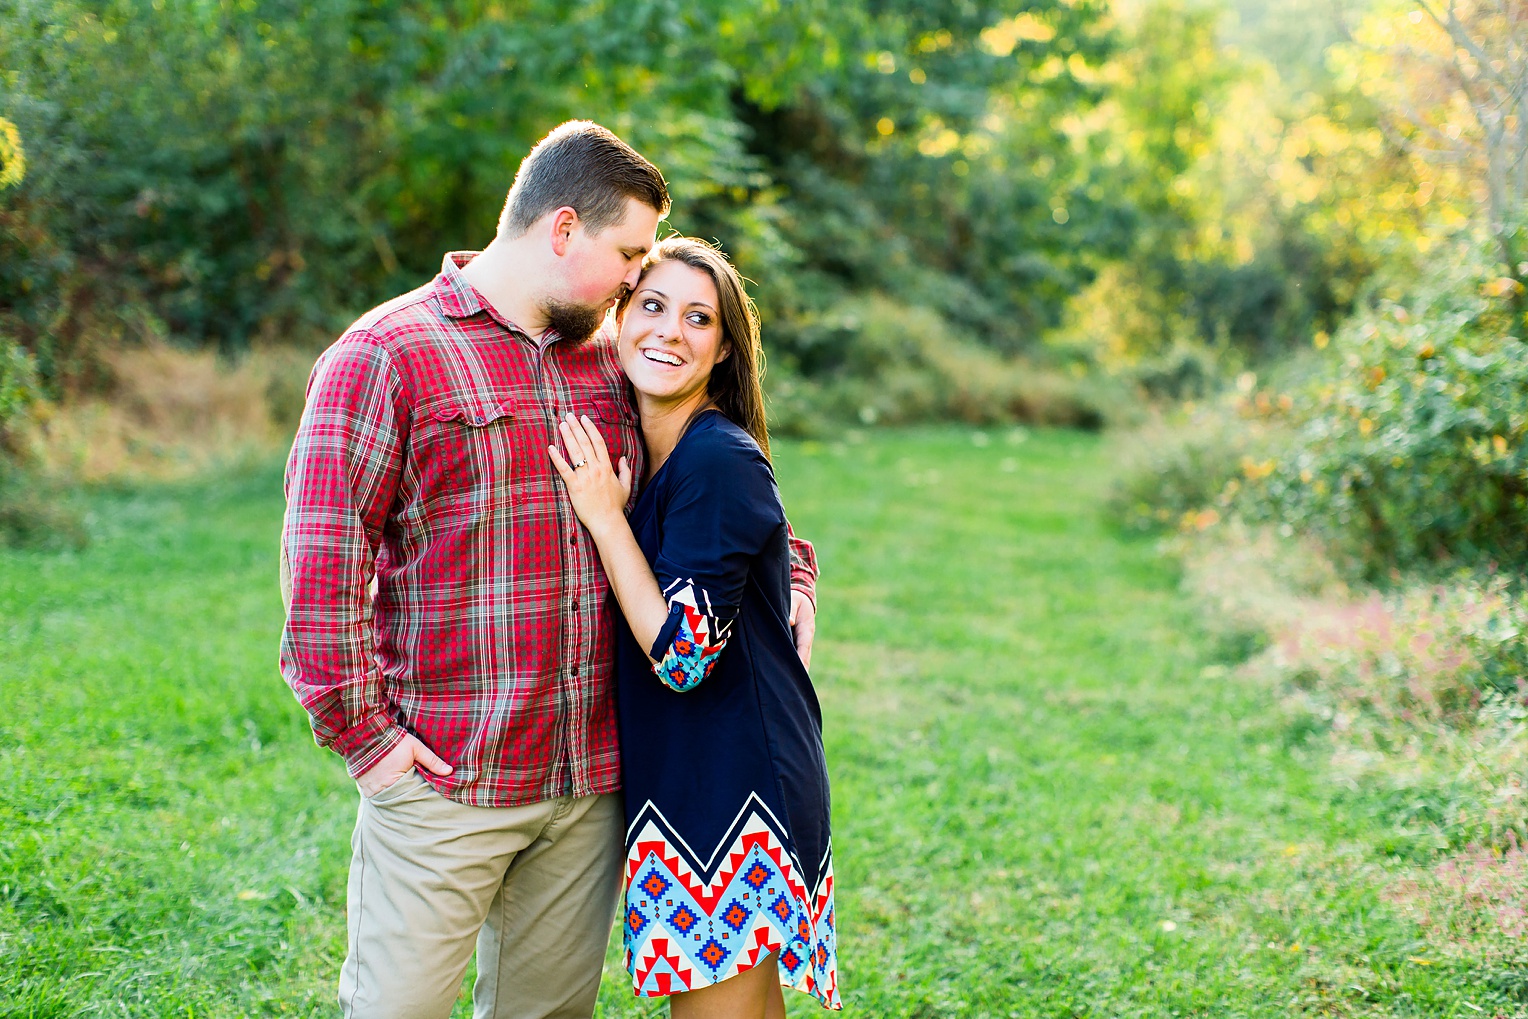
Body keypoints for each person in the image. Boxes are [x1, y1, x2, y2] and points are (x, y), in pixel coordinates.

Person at [279, 122, 819, 1019]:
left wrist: (791, 577)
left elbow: (720, 495)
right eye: (628, 257)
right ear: (564, 230)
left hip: (591, 785)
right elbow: (321, 571)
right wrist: (370, 746)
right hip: (451, 778)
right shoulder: (386, 356)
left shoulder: (614, 363)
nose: (636, 284)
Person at [549, 237, 840, 1017]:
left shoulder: (715, 457)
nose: (669, 331)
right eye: (651, 305)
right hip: (690, 776)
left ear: (722, 350)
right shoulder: (664, 451)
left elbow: (682, 657)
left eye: (698, 317)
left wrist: (606, 521)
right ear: (618, 317)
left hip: (734, 788)